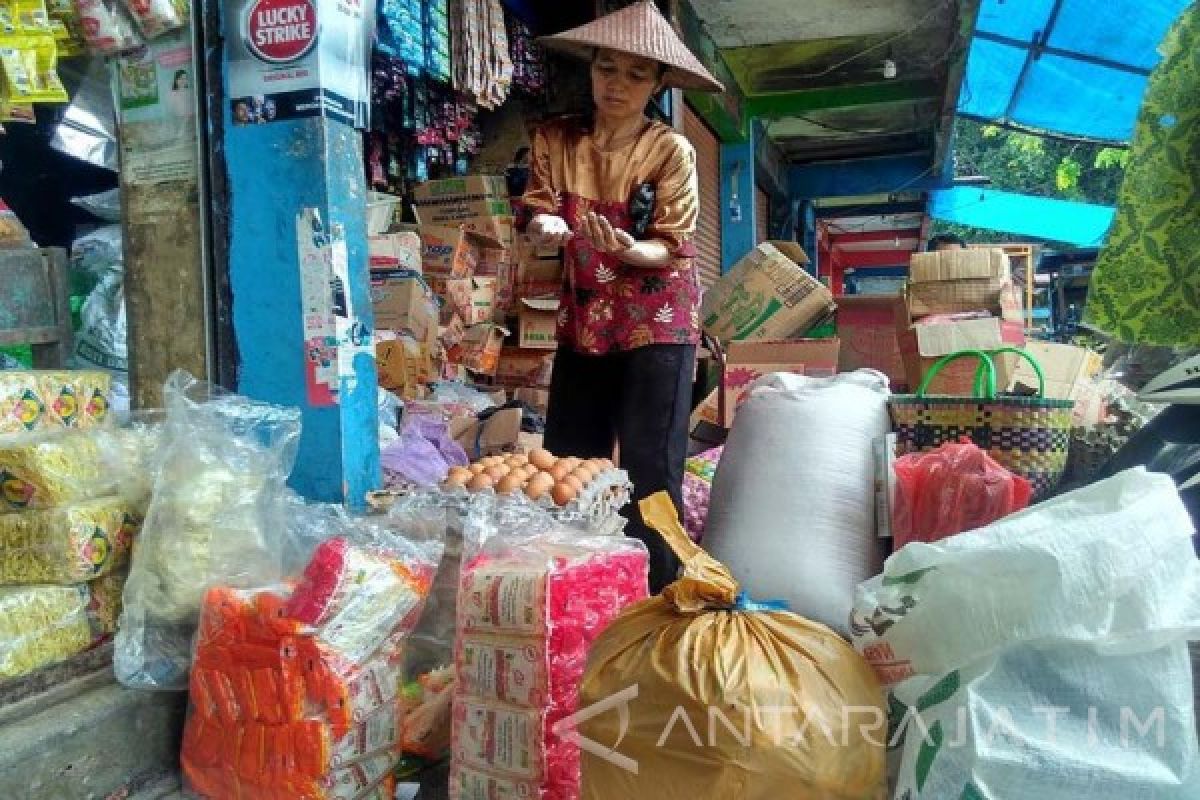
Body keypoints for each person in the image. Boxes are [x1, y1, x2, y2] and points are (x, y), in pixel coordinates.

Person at [525, 1, 723, 592]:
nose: (618, 84)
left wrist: (630, 250)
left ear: (659, 82)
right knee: (568, 460)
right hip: (583, 316)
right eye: (607, 68)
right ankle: (577, 591)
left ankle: (660, 600)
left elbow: (673, 244)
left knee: (650, 469)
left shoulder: (671, 151)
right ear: (590, 68)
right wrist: (544, 227)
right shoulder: (554, 138)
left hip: (655, 320)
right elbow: (536, 207)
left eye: (636, 74)